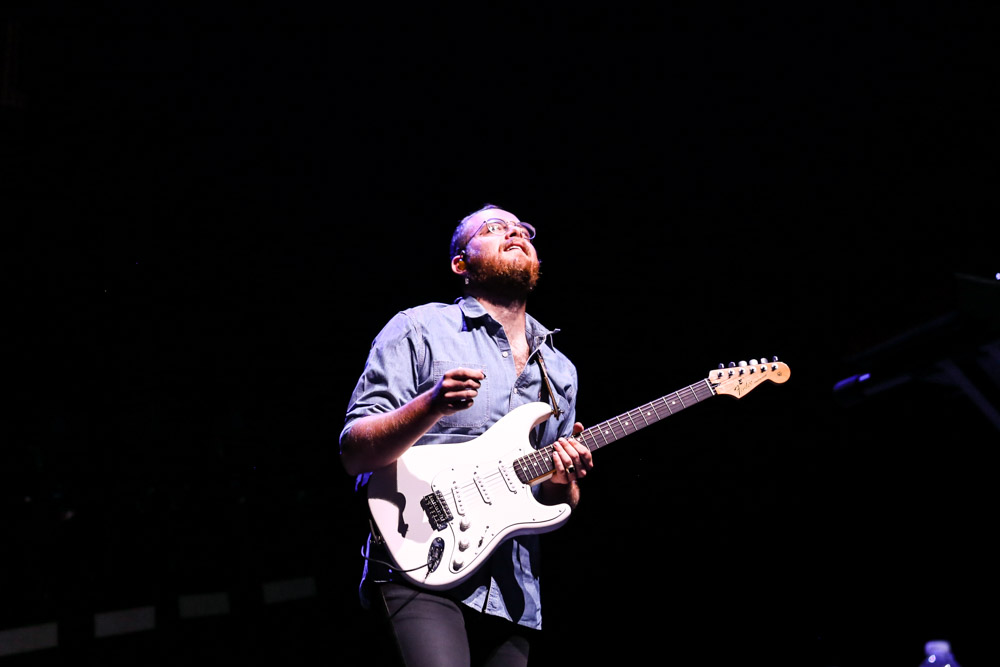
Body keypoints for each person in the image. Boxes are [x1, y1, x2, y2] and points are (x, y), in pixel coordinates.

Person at [339, 203, 593, 666]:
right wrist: (431, 403)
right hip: (419, 562)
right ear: (462, 263)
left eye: (523, 231)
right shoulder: (419, 328)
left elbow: (551, 495)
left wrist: (563, 481)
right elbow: (355, 449)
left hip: (514, 594)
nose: (515, 234)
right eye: (495, 228)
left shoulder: (560, 371)